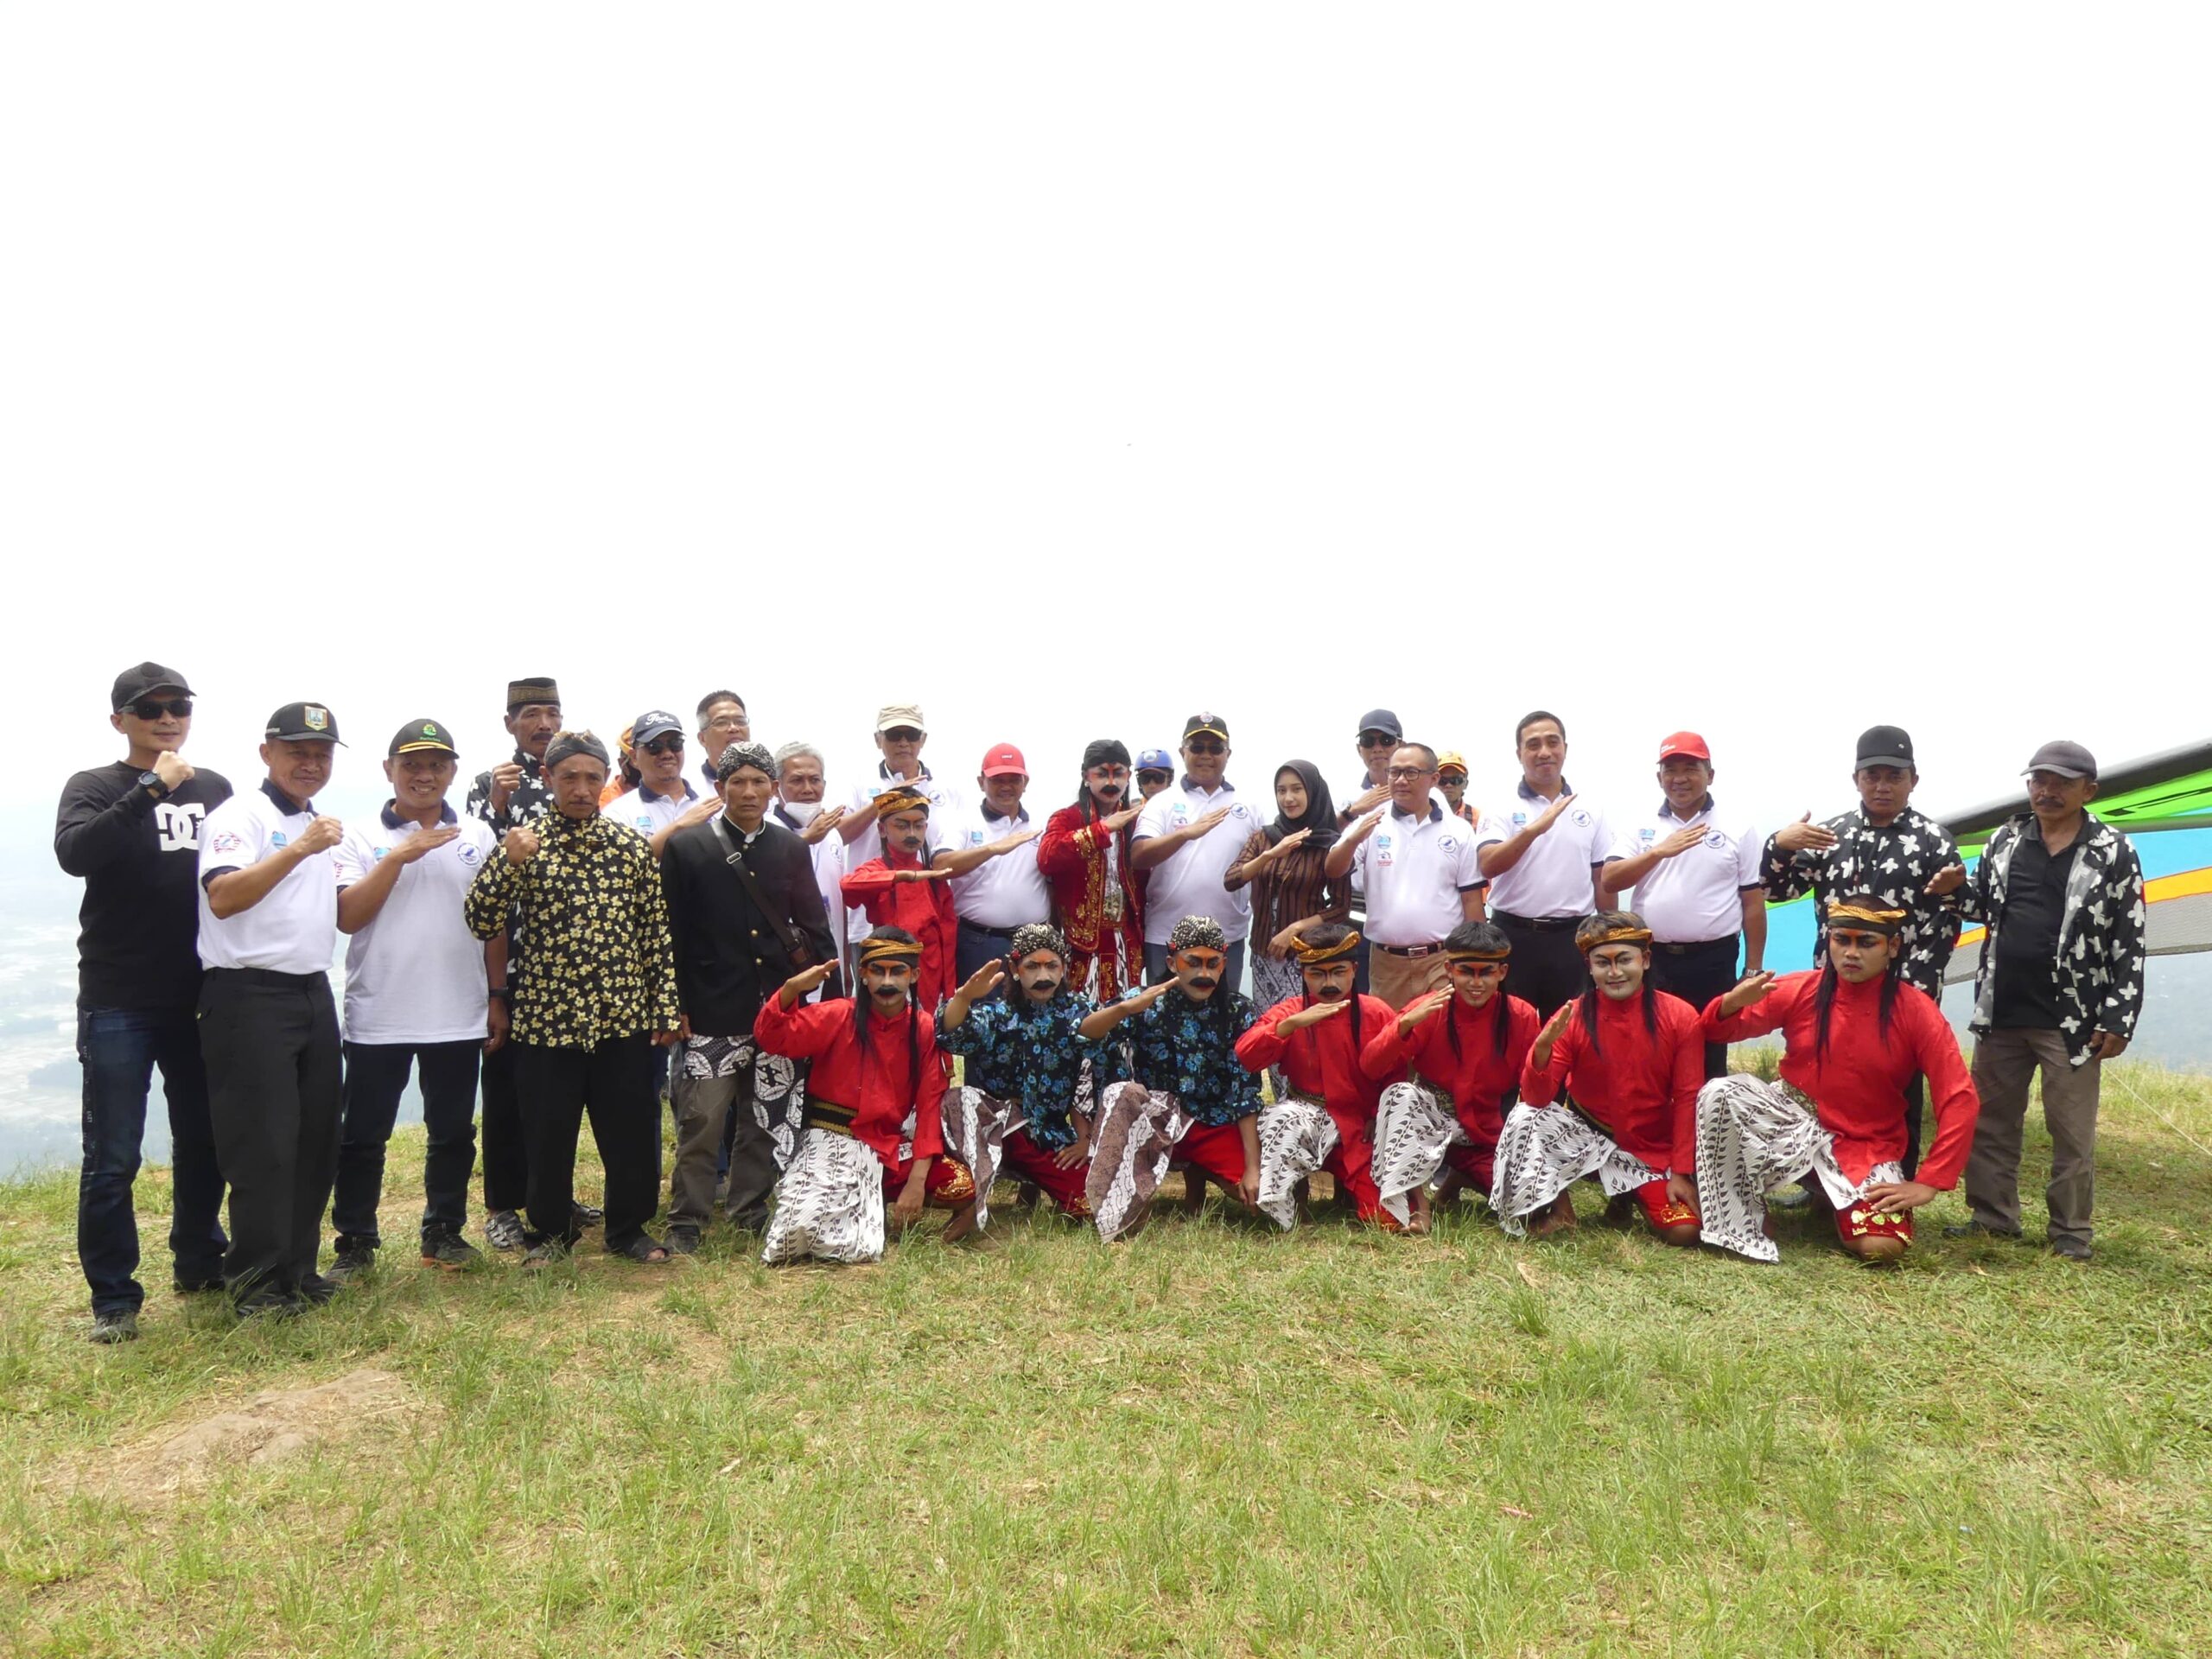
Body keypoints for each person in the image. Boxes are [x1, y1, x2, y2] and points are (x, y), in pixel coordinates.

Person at [55, 663, 232, 1341]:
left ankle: (199, 1262)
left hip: (199, 990)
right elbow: (77, 853)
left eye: (177, 705)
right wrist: (152, 787)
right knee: (113, 1157)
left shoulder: (215, 789)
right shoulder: (94, 786)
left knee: (204, 1139)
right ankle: (114, 1299)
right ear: (119, 720)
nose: (166, 718)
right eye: (150, 707)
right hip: (118, 997)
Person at [462, 730, 681, 1268]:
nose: (581, 789)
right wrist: (506, 863)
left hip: (621, 1016)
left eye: (591, 778)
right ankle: (551, 1232)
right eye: (569, 778)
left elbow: (654, 933)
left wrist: (664, 1006)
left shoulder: (629, 848)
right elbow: (480, 920)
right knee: (548, 1134)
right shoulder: (525, 844)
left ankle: (628, 1229)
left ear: (605, 780)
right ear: (548, 778)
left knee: (630, 1130)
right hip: (547, 1019)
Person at [1696, 898, 1981, 1264]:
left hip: (1864, 1142)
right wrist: (1731, 1003)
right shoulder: (1801, 988)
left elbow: (1959, 1097)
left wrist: (1930, 1180)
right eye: (1842, 939)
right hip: (1790, 1120)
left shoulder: (1916, 1010)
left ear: (1893, 946)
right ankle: (1740, 1215)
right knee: (1720, 1092)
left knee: (1881, 1249)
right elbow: (1717, 1031)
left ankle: (1831, 1197)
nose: (1851, 953)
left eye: (1866, 942)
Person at [1948, 742, 2145, 1261]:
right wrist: (1954, 890)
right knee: (1991, 1120)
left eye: (2061, 783)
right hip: (2002, 1008)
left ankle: (2071, 1231)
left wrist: (2120, 1017)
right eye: (2039, 780)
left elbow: (2130, 937)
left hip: (2073, 1018)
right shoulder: (2006, 838)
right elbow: (1982, 906)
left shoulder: (2112, 850)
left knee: (2071, 1130)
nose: (2047, 791)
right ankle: (1993, 1217)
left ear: (2089, 791)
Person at [326, 719, 501, 1281]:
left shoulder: (479, 835)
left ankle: (444, 1233)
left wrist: (497, 996)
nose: (424, 775)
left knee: (453, 1133)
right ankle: (355, 1241)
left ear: (452, 772)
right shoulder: (358, 836)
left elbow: (494, 924)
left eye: (436, 765)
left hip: (459, 1010)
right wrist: (398, 857)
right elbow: (348, 915)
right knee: (363, 1136)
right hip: (379, 1012)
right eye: (412, 765)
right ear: (389, 770)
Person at [195, 702, 347, 1315]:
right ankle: (255, 1285)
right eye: (297, 752)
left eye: (321, 754)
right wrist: (301, 849)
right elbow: (224, 896)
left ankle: (297, 1270)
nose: (310, 764)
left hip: (311, 990)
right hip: (248, 995)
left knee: (316, 1139)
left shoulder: (312, 819)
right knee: (263, 1146)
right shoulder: (241, 815)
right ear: (267, 753)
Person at [1760, 724, 1967, 1176]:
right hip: (1836, 989)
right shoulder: (1830, 835)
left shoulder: (1933, 840)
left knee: (1898, 1093)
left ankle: (1897, 1183)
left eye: (1894, 776)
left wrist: (1913, 991)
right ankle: (1820, 1185)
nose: (1882, 786)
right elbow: (1777, 891)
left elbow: (1948, 921)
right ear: (1856, 779)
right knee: (1827, 1085)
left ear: (1914, 780)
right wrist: (1780, 845)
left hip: (1902, 995)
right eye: (1872, 776)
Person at [660, 741, 839, 1251]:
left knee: (765, 1118)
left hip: (777, 1011)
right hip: (711, 1010)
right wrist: (674, 1005)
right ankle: (687, 1218)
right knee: (701, 1121)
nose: (748, 791)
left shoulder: (790, 848)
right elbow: (670, 936)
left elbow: (814, 925)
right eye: (737, 781)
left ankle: (749, 1209)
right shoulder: (687, 848)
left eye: (759, 781)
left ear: (773, 788)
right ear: (720, 788)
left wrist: (829, 1001)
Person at [751, 929, 976, 1264]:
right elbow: (772, 1036)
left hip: (887, 1146)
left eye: (897, 971)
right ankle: (864, 1201)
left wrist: (916, 1182)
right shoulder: (838, 1014)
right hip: (831, 1139)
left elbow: (930, 1107)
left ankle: (875, 1198)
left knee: (960, 1186)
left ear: (914, 975)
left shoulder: (924, 1028)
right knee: (799, 1234)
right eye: (878, 971)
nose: (887, 982)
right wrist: (792, 989)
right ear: (863, 974)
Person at [1491, 912, 1703, 1245]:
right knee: (1526, 1116)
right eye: (1603, 963)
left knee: (1684, 1231)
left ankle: (1630, 1193)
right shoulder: (1573, 1015)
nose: (1614, 972)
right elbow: (1536, 1100)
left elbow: (1689, 1096)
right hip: (1587, 1141)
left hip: (1651, 1148)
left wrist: (1680, 1171)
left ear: (1646, 960)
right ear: (1589, 967)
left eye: (1624, 960)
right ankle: (1562, 1212)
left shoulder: (1681, 1016)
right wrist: (1541, 1051)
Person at [465, 675, 567, 1250]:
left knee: (557, 1094)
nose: (543, 724)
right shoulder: (490, 784)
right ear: (510, 723)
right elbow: (481, 869)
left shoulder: (575, 776)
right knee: (504, 1090)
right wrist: (498, 807)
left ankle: (553, 1196)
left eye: (551, 712)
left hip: (568, 965)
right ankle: (503, 1205)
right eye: (531, 714)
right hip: (511, 962)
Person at [1083, 915, 1263, 1238]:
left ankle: (1202, 1171)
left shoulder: (1239, 1011)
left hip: (1212, 1123)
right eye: (1192, 962)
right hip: (1156, 1121)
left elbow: (1246, 1092)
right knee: (1121, 1092)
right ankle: (1122, 1209)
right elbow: (1085, 1033)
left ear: (1224, 965)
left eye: (1212, 964)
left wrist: (1253, 1169)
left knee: (1263, 1202)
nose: (1203, 974)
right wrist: (1125, 1009)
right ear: (1171, 962)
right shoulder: (1147, 1001)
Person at [1600, 732, 1766, 1080]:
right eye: (1671, 770)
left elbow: (1752, 902)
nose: (1680, 778)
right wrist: (1658, 851)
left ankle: (1708, 1115)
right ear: (1658, 777)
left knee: (1710, 1051)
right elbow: (1610, 880)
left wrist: (1752, 970)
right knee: (1652, 1050)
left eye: (1691, 769)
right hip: (1653, 957)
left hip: (1714, 958)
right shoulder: (1641, 825)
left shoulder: (1738, 827)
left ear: (1710, 775)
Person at [937, 924, 1116, 1233]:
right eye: (1032, 966)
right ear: (1014, 969)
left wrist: (1086, 1140)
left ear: (1064, 967)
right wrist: (964, 998)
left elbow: (1100, 1071)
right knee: (959, 1098)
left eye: (1051, 966)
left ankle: (1037, 1183)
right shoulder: (999, 1014)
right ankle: (971, 1207)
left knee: (1094, 1206)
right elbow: (953, 1035)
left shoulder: (1079, 1012)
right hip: (998, 1132)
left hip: (1050, 1136)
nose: (1042, 976)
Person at [1364, 920, 1541, 1230]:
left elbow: (1534, 1093)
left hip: (1482, 1131)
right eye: (1466, 972)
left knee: (1528, 1204)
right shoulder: (1428, 1008)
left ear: (1502, 972)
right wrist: (1404, 1025)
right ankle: (1418, 1205)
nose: (1476, 982)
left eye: (1486, 973)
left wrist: (1544, 1055)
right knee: (1400, 1095)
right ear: (1449, 969)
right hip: (1428, 1122)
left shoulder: (1522, 1015)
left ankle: (1459, 1178)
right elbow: (1371, 1065)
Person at [1233, 924, 1402, 1230]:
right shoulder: (1291, 1011)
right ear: (1303, 974)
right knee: (1280, 1118)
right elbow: (1247, 1055)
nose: (1329, 983)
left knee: (1388, 1218)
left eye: (1338, 972)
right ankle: (1290, 1200)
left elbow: (1396, 1073)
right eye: (1317, 974)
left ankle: (1349, 1191)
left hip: (1359, 1126)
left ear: (1354, 970)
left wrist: (1376, 1115)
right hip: (1306, 1117)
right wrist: (1289, 1025)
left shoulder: (1377, 1012)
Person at [1475, 711, 1616, 1017]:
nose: (1544, 752)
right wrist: (1533, 830)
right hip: (1513, 935)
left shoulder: (1591, 808)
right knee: (1510, 1027)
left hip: (1572, 938)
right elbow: (1488, 865)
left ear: (1565, 748)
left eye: (1553, 742)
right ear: (1519, 753)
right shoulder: (1501, 805)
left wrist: (1608, 938)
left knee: (1570, 1028)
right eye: (1533, 744)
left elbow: (1601, 878)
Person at [1325, 743, 1487, 1007]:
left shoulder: (1459, 830)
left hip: (1442, 959)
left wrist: (1477, 959)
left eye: (1411, 773)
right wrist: (1353, 839)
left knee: (1440, 1030)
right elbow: (1333, 870)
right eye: (1394, 772)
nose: (1400, 780)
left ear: (1433, 779)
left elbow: (1471, 899)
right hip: (1387, 962)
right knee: (1391, 1031)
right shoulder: (1372, 823)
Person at [1133, 715, 1259, 987]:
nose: (1206, 755)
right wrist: (1185, 834)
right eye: (1197, 747)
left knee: (1226, 1014)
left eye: (1215, 749)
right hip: (1166, 936)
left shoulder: (1248, 805)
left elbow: (1261, 870)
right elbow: (1139, 855)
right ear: (1183, 752)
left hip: (1228, 937)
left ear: (1228, 754)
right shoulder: (1162, 802)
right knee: (1162, 1012)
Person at [1225, 760, 1345, 1014]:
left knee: (1302, 1026)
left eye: (1297, 789)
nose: (1288, 798)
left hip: (1307, 955)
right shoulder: (1263, 837)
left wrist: (1295, 929)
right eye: (1281, 791)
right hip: (1264, 953)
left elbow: (1340, 907)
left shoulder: (1330, 844)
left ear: (1313, 792)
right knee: (1268, 1026)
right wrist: (1270, 855)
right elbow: (1232, 879)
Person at [932, 743, 1049, 991]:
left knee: (1034, 1013)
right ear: (981, 782)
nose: (1006, 787)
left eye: (1014, 779)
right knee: (980, 1011)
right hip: (980, 942)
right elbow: (941, 866)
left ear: (1025, 782)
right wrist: (992, 849)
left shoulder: (1041, 823)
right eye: (997, 780)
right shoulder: (963, 821)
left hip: (1035, 942)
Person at [1037, 740, 1146, 1001]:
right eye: (1102, 774)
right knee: (1081, 1016)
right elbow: (1047, 858)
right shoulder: (1067, 818)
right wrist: (1101, 831)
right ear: (1086, 777)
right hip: (1082, 945)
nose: (1111, 782)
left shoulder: (1139, 821)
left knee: (1126, 1016)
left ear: (1129, 776)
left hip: (1128, 940)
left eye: (1118, 773)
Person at [842, 786, 958, 1015]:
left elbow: (948, 938)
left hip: (930, 972)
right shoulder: (876, 870)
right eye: (902, 826)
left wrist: (949, 991)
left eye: (919, 825)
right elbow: (848, 887)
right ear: (882, 829)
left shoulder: (933, 877)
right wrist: (900, 877)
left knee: (927, 1031)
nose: (912, 833)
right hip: (889, 970)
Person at [772, 741, 851, 995]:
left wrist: (846, 962)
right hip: (789, 966)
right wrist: (804, 840)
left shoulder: (832, 834)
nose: (808, 789)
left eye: (815, 780)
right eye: (797, 780)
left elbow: (839, 902)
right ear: (776, 787)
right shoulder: (766, 830)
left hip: (831, 959)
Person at [606, 709, 715, 859]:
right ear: (634, 757)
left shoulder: (713, 801)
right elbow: (622, 865)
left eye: (675, 744)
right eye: (654, 747)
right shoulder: (617, 813)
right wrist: (681, 826)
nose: (667, 754)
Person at [695, 690, 750, 791]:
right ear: (702, 739)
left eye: (740, 721)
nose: (734, 728)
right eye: (722, 723)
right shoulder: (690, 789)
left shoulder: (771, 783)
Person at [1435, 752, 1479, 828]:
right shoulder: (1422, 816)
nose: (1448, 785)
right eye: (1443, 781)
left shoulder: (1479, 818)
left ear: (1466, 784)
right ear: (1433, 783)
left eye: (1456, 780)